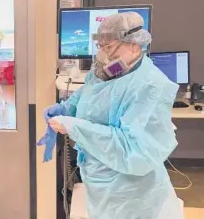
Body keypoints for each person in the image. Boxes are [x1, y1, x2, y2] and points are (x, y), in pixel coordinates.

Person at [48, 12, 184, 219]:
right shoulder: (108, 72)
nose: (104, 55)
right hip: (100, 181)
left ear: (134, 46)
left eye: (109, 47)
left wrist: (75, 126)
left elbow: (132, 148)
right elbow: (88, 95)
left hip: (133, 193)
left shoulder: (151, 86)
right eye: (100, 47)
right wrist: (66, 108)